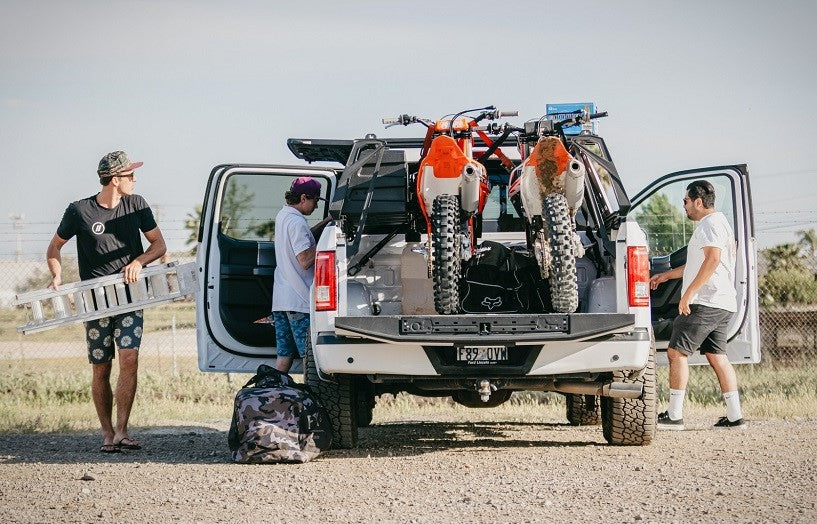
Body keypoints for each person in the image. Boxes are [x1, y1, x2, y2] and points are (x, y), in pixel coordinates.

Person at [46, 151, 166, 452]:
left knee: (129, 358)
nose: (135, 179)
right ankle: (107, 433)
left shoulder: (137, 204)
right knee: (101, 367)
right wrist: (56, 276)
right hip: (96, 301)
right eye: (130, 175)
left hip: (129, 297)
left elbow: (159, 244)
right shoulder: (79, 210)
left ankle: (123, 430)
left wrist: (139, 261)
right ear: (115, 179)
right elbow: (55, 247)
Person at [650, 180, 744, 430]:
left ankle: (674, 416)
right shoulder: (720, 223)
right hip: (723, 302)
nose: (684, 206)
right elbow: (698, 264)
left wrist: (689, 293)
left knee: (676, 353)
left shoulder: (709, 225)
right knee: (717, 356)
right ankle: (735, 417)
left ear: (698, 202)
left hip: (706, 301)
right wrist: (666, 276)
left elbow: (712, 260)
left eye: (686, 201)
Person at [271, 177, 327, 373]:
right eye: (315, 201)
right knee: (308, 357)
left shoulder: (284, 216)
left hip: (281, 299)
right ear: (304, 198)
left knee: (284, 355)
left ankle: (274, 395)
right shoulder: (297, 223)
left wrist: (326, 223)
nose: (316, 206)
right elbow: (304, 259)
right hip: (299, 300)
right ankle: (310, 397)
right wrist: (330, 243)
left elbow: (301, 240)